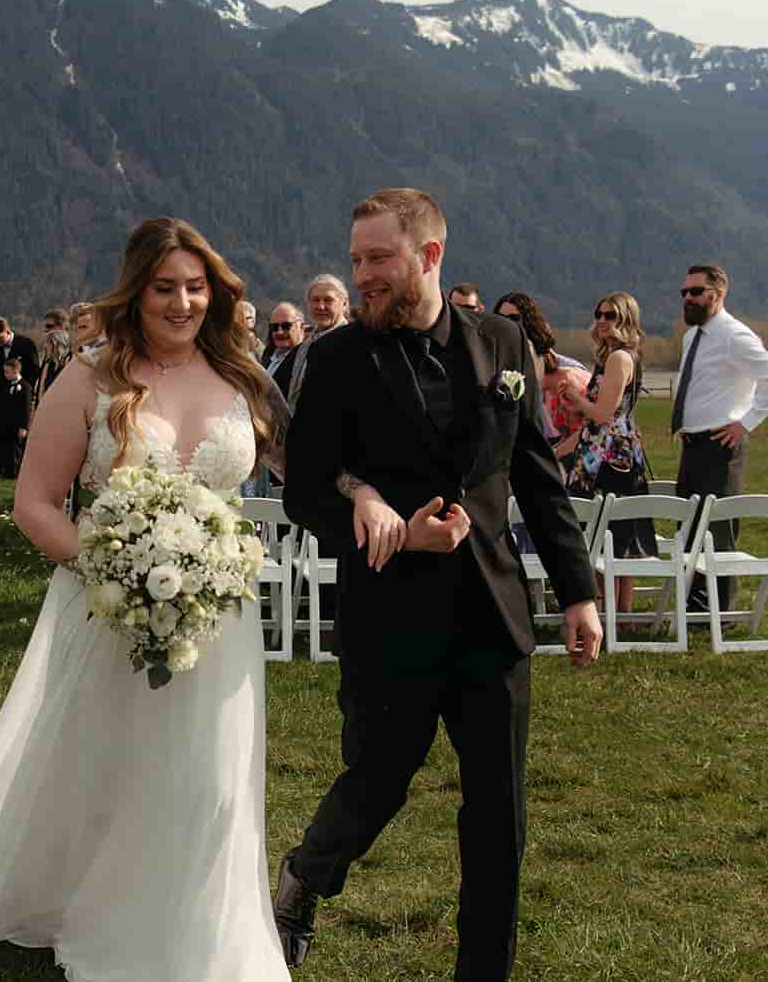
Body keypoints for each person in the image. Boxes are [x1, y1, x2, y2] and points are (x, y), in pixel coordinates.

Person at [0, 216, 290, 980]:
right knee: (111, 769)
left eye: (196, 287)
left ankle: (201, 921)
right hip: (110, 610)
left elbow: (314, 470)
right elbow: (35, 503)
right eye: (164, 288)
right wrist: (115, 571)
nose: (181, 303)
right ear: (136, 292)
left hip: (220, 619)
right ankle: (98, 903)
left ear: (216, 291)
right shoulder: (89, 377)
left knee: (211, 777)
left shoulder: (244, 376)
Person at [272, 189, 601, 978]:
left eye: (378, 259)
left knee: (500, 817)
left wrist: (579, 592)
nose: (363, 277)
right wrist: (370, 503)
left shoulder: (504, 342)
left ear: (430, 256)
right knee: (378, 781)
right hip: (388, 615)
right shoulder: (339, 358)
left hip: (494, 618)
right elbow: (304, 489)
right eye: (355, 261)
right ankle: (303, 877)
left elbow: (538, 476)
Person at [670, 264, 768, 610]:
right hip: (692, 445)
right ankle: (693, 607)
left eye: (696, 292)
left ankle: (719, 612)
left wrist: (746, 422)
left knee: (718, 531)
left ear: (718, 294)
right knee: (691, 528)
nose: (688, 299)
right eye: (685, 292)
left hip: (720, 446)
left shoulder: (735, 336)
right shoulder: (691, 336)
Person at [559, 292, 659, 612]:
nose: (602, 320)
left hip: (612, 457)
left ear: (626, 319)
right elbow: (595, 425)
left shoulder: (619, 359)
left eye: (610, 315)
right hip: (601, 450)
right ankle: (614, 611)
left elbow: (602, 415)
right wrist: (560, 449)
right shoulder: (610, 357)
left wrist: (576, 399)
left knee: (611, 531)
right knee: (612, 532)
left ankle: (618, 611)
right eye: (599, 313)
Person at [493, 291, 590, 449]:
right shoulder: (497, 366)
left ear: (529, 323)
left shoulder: (568, 372)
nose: (506, 324)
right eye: (500, 318)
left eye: (514, 318)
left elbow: (589, 426)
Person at [287, 273, 352, 411]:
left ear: (344, 303)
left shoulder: (351, 343)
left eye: (328, 300)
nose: (320, 306)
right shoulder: (304, 346)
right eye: (315, 300)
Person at [0, 358, 31, 478]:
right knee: (3, 447)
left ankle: (15, 472)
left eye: (7, 372)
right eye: (4, 371)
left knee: (15, 449)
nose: (5, 374)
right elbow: (1, 406)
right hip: (4, 423)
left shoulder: (25, 387)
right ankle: (3, 469)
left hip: (17, 424)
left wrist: (24, 427)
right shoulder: (5, 384)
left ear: (16, 371)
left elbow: (26, 409)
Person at [262, 300, 305, 395]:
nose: (279, 332)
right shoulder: (268, 355)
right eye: (274, 327)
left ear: (301, 327)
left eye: (286, 326)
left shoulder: (305, 358)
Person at [31, 327, 70, 412]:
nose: (45, 346)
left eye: (48, 343)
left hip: (62, 410)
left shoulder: (69, 364)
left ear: (57, 344)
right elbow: (41, 390)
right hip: (45, 409)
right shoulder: (48, 364)